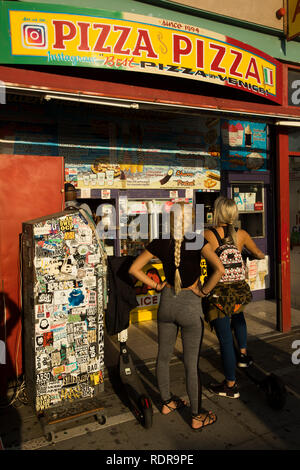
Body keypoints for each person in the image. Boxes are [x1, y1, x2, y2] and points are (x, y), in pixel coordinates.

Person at [129, 202, 225, 430]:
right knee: (191, 364)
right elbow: (219, 270)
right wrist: (203, 291)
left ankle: (166, 403)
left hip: (167, 305)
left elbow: (134, 269)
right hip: (190, 308)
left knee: (163, 357)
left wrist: (156, 285)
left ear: (170, 220)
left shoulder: (161, 241)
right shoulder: (197, 240)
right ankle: (196, 415)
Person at [203, 196, 265, 399]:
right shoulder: (242, 234)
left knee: (225, 340)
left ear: (217, 212)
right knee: (239, 317)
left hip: (219, 292)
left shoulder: (208, 234)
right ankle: (244, 355)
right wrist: (249, 256)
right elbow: (259, 254)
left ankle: (230, 384)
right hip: (238, 290)